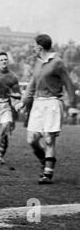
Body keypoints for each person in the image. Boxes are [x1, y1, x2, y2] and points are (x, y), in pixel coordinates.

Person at [15, 34, 78, 184]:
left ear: (40, 47)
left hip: (52, 103)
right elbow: (32, 84)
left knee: (49, 140)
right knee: (31, 139)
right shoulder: (37, 62)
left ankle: (47, 174)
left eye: (33, 46)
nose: (32, 48)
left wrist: (71, 105)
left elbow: (69, 84)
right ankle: (46, 160)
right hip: (37, 104)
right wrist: (23, 101)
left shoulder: (57, 63)